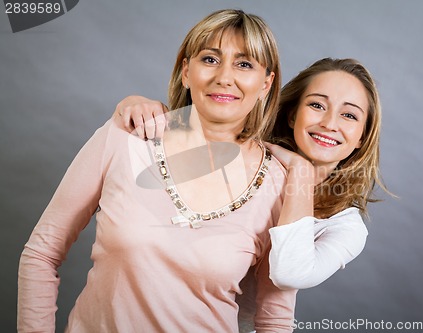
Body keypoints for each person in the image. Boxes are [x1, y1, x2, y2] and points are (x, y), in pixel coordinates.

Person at [18, 9, 296, 333]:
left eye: (244, 64)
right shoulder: (126, 138)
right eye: (210, 59)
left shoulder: (279, 184)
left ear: (266, 83)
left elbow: (274, 318)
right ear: (185, 72)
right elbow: (41, 254)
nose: (224, 76)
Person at [115, 57, 389, 291]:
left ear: (362, 138)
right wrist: (135, 103)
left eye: (349, 116)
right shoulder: (241, 155)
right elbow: (179, 137)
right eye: (317, 105)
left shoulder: (346, 228)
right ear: (292, 115)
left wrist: (300, 171)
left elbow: (288, 275)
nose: (329, 123)